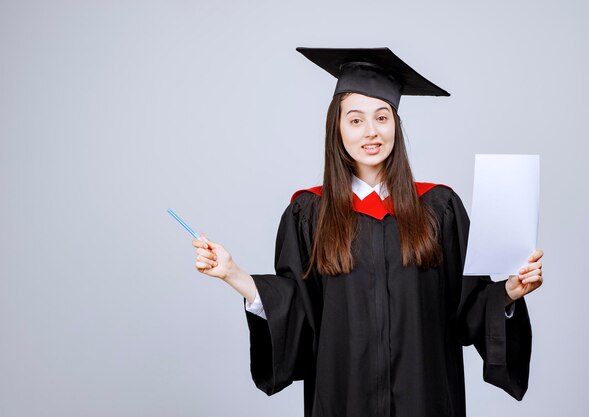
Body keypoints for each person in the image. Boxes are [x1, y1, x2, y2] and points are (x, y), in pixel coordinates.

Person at [191, 47, 544, 417]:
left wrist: (508, 293)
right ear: (338, 128)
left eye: (382, 117)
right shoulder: (309, 214)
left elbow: (466, 309)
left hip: (425, 400)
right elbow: (297, 310)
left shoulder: (440, 209)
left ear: (396, 124)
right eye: (356, 120)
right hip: (344, 401)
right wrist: (233, 274)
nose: (371, 132)